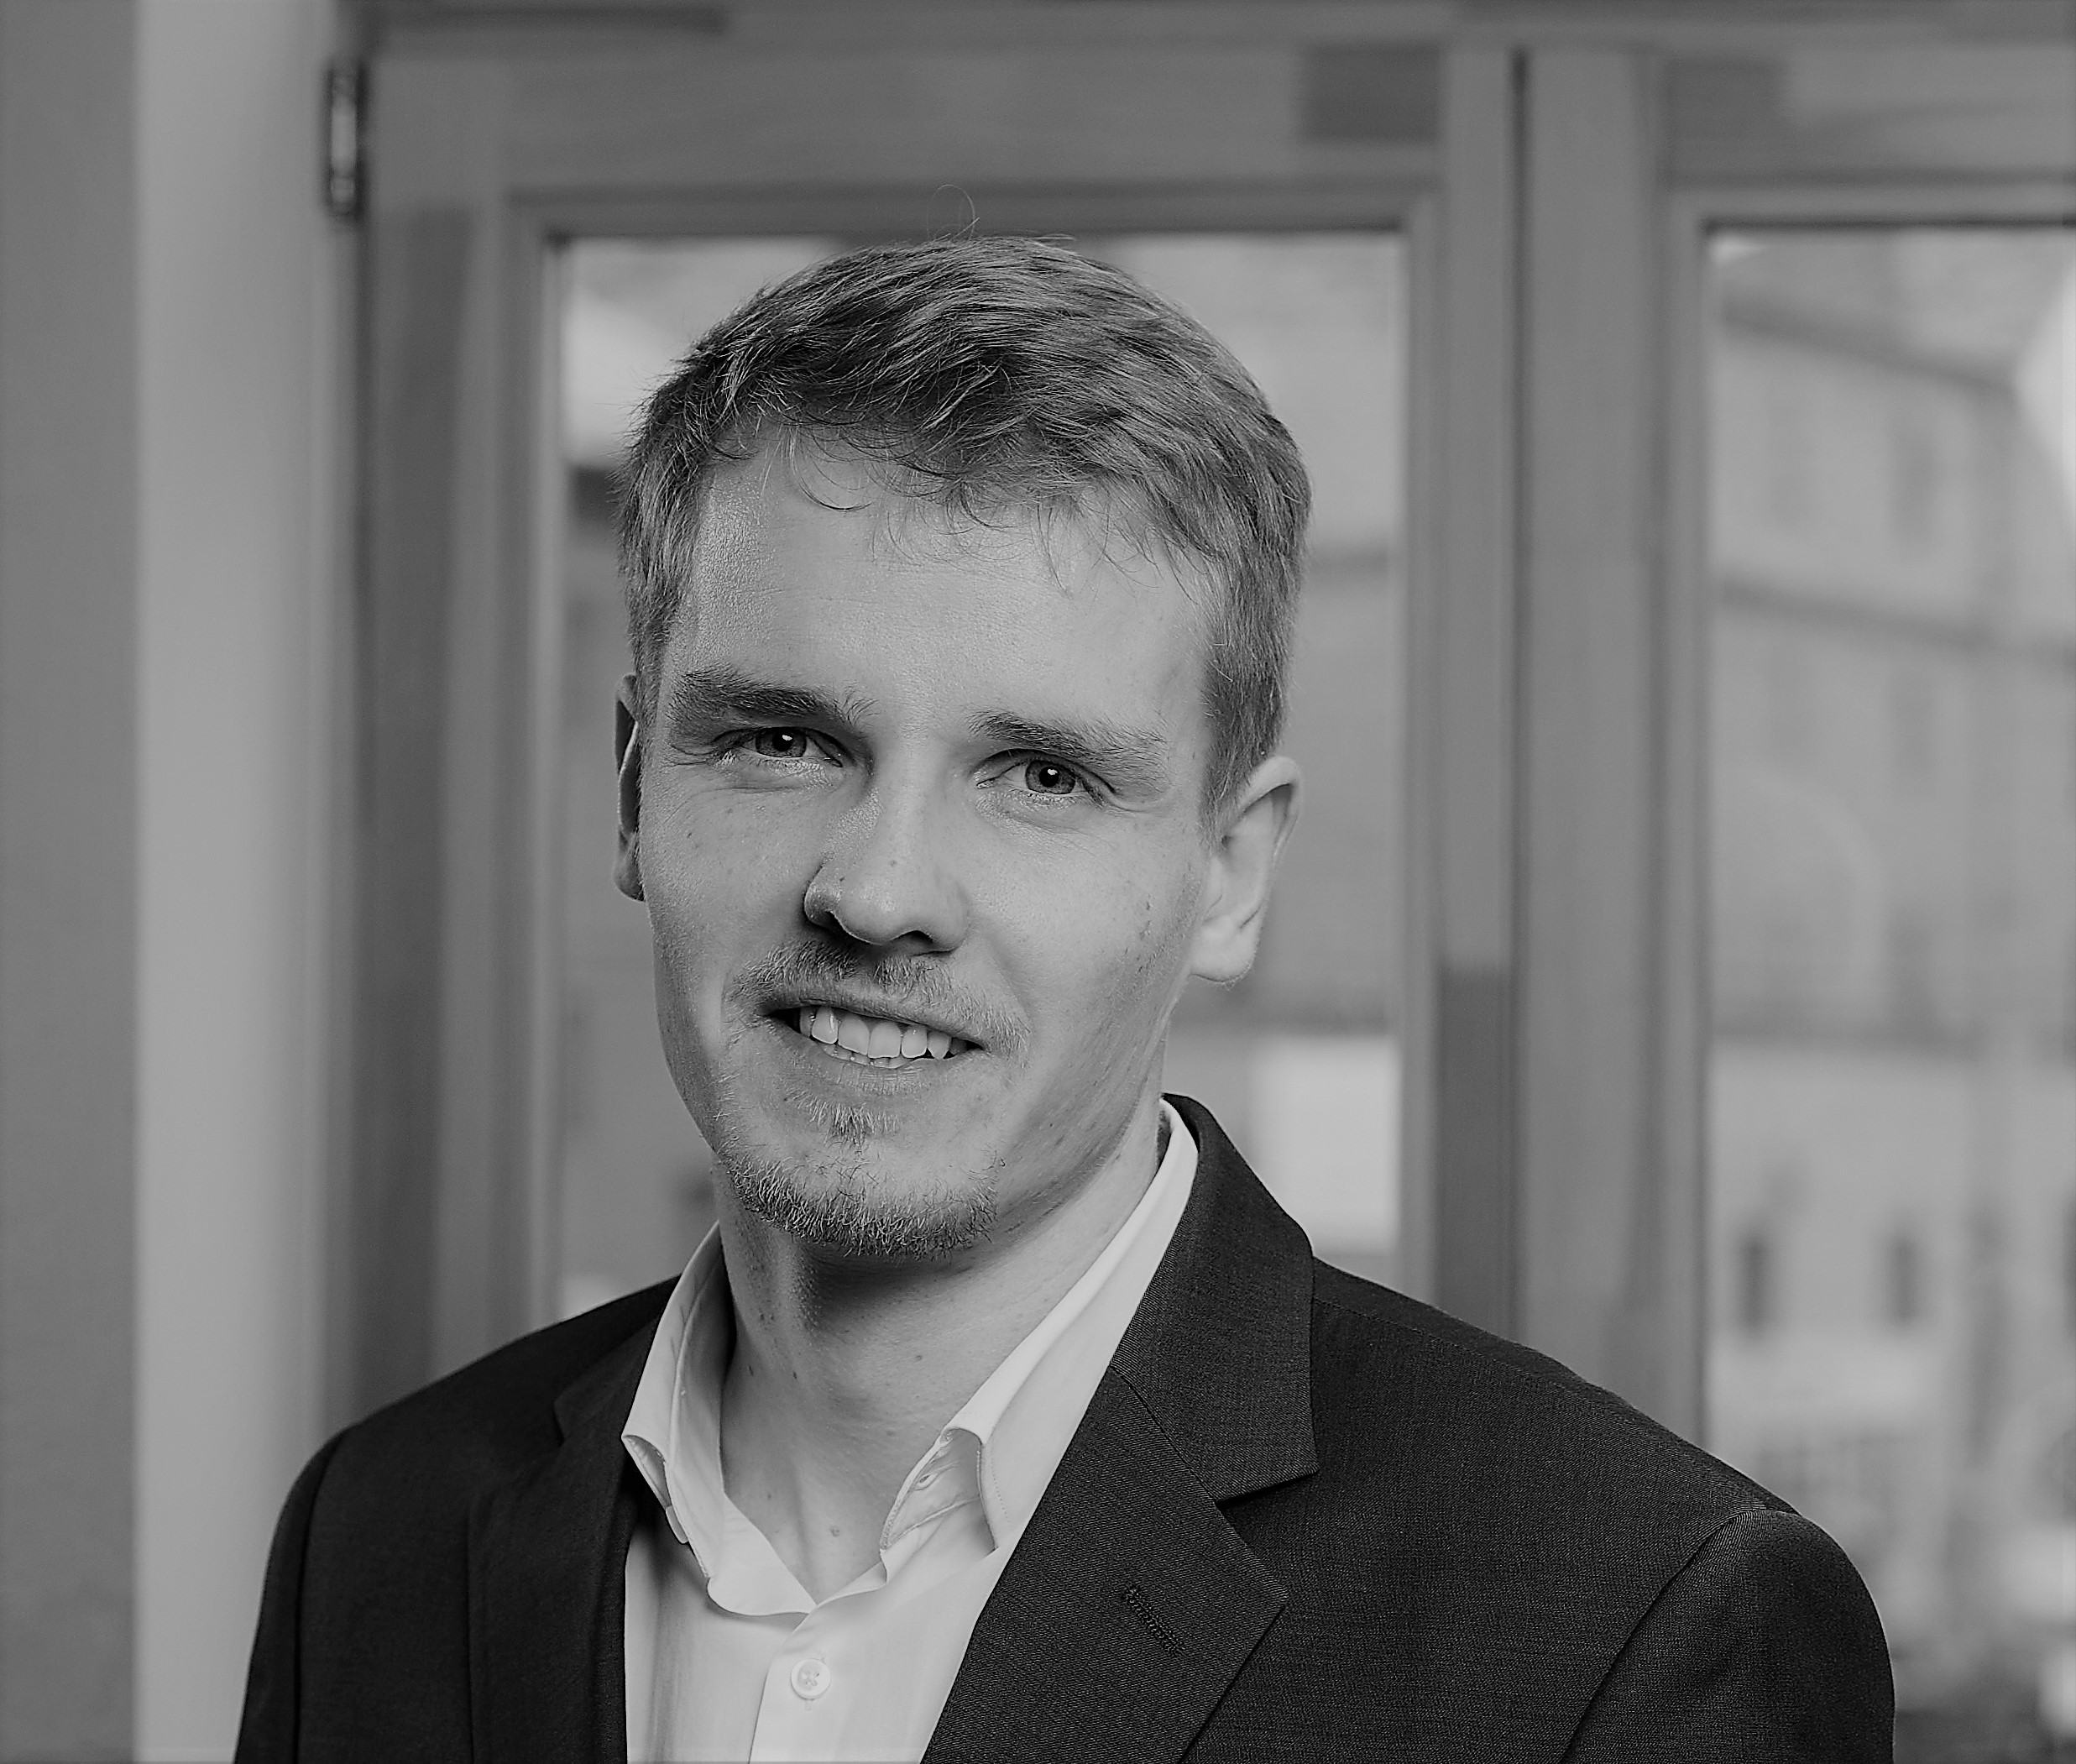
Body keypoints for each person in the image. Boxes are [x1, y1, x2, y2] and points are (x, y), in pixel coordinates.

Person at [236, 236, 1891, 1762]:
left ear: (1229, 870)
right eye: (781, 740)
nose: (877, 889)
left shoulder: (1633, 1627)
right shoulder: (381, 1532)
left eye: (1038, 773)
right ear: (631, 792)